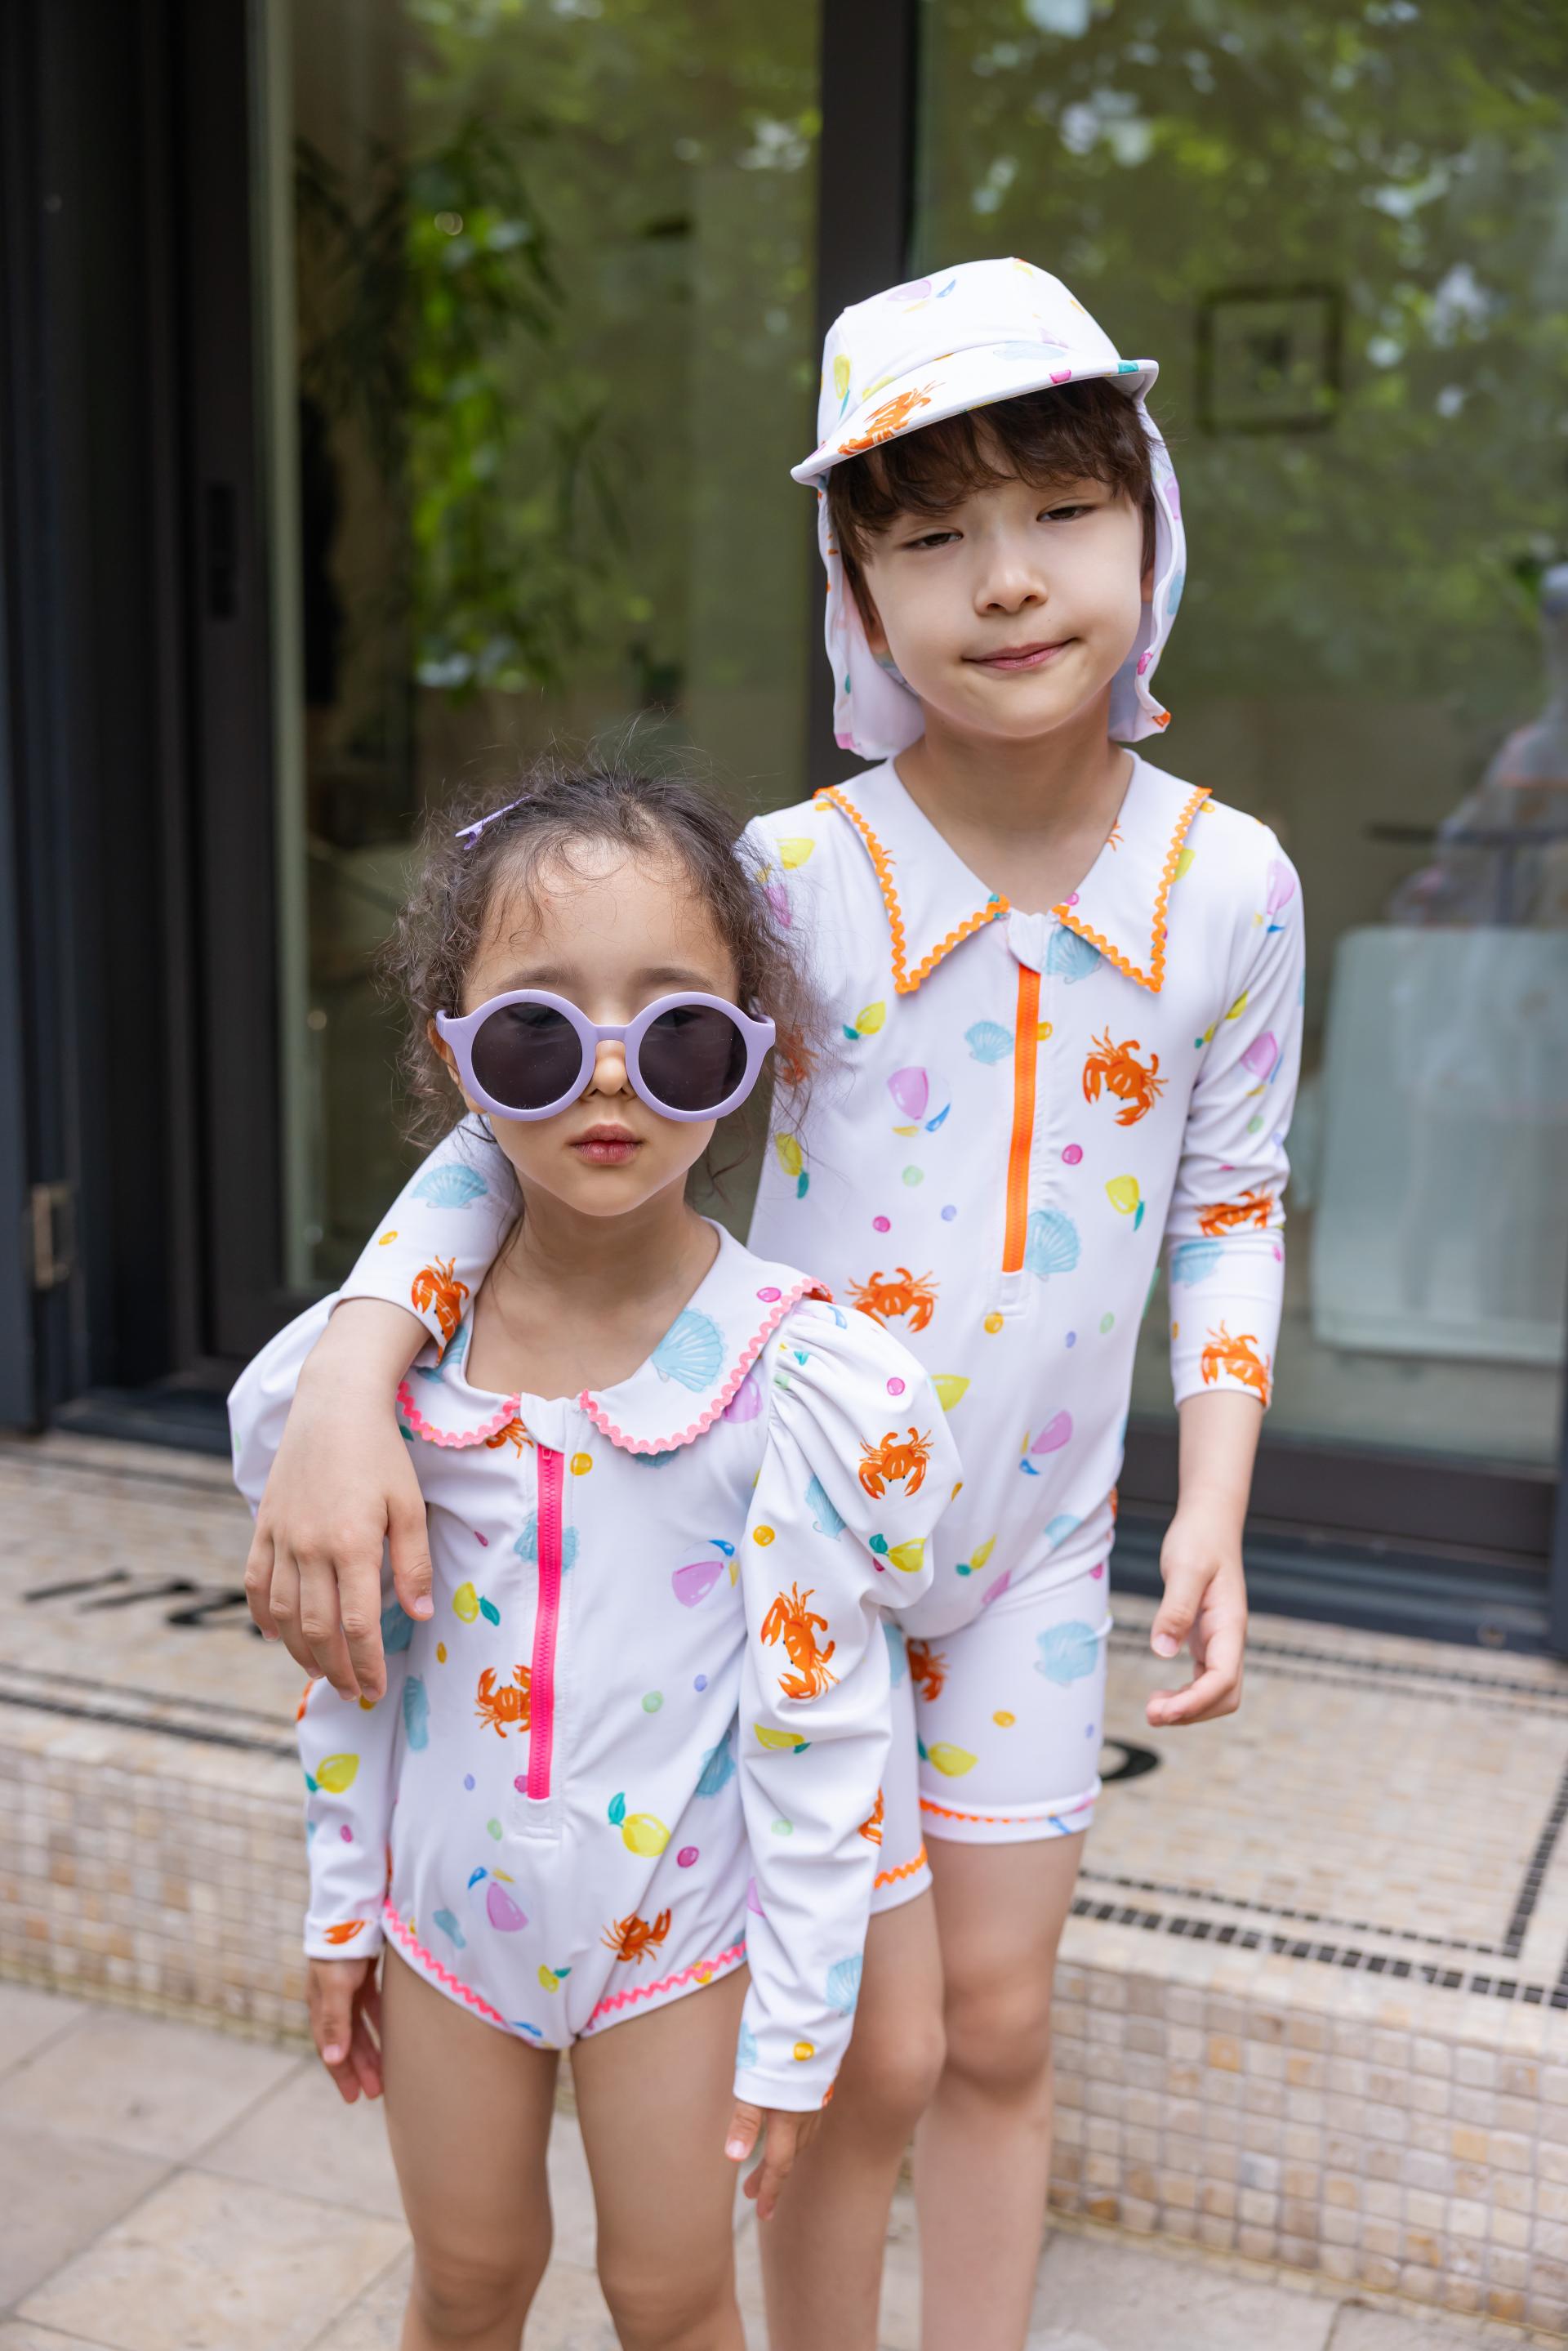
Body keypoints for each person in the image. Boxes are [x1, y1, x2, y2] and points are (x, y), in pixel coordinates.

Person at [244, 258, 1305, 2351]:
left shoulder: (1234, 887)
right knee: (859, 2047)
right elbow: (519, 1132)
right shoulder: (793, 877)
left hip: (1032, 1546)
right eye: (933, 536)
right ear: (857, 591)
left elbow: (1233, 1202)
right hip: (781, 1536)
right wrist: (357, 1375)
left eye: (1062, 512)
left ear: (1152, 527)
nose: (1008, 579)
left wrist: (1217, 1495)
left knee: (996, 2019)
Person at [229, 757, 959, 2351]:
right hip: (449, 1932)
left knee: (670, 2296)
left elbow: (825, 1731)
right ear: (456, 1056)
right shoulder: (391, 1371)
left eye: (677, 1031)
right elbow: (353, 1666)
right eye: (538, 1034)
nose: (610, 1076)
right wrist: (344, 1901)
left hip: (677, 1947)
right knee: (467, 2277)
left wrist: (799, 2022)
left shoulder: (795, 1380)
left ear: (750, 1053)